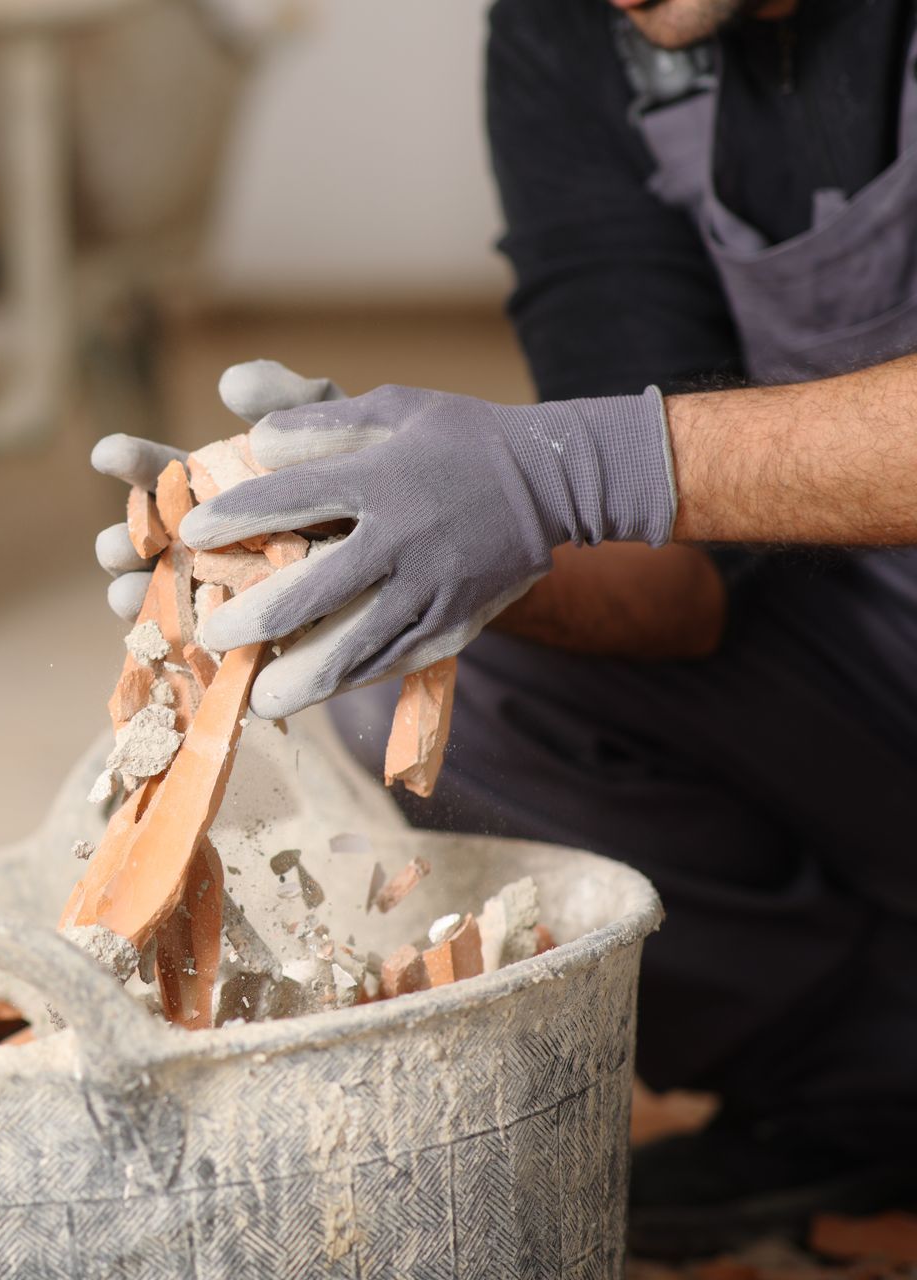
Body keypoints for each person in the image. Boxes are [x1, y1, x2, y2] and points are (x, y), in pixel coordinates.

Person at [93, 0, 917, 1258]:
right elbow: (676, 582)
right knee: (422, 668)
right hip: (861, 675)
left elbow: (613, 470)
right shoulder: (571, 33)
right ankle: (868, 1076)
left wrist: (568, 466)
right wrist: (385, 530)